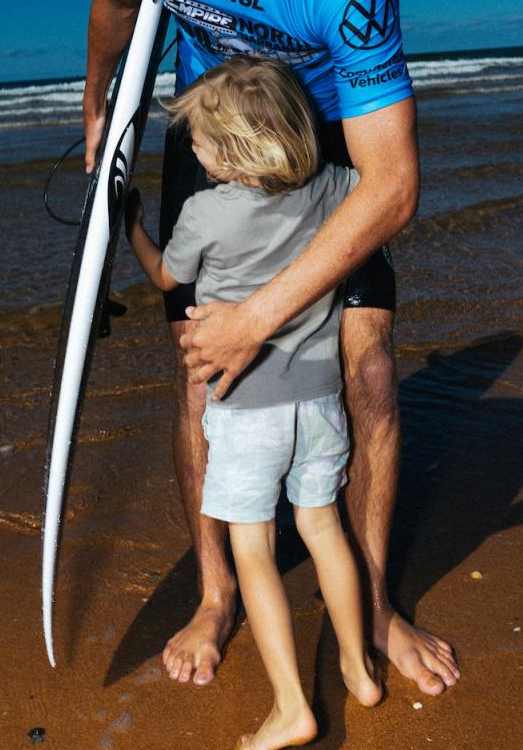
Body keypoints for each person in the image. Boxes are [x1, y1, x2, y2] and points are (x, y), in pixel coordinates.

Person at [83, 0, 459, 693]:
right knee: (199, 376)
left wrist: (260, 315)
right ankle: (217, 594)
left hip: (323, 136)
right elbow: (116, 3)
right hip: (213, 126)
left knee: (370, 371)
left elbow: (393, 187)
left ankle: (375, 603)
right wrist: (96, 106)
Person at [122, 57, 383, 748]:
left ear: (234, 151)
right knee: (324, 530)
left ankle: (292, 707)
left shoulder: (206, 212)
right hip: (320, 403)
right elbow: (375, 188)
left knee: (255, 551)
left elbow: (167, 278)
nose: (192, 148)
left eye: (201, 140)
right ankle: (358, 669)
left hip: (245, 412)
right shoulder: (332, 187)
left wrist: (133, 229)